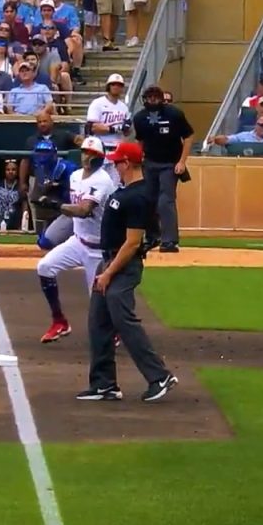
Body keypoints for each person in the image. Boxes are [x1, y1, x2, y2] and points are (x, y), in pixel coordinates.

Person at [80, 141, 178, 402]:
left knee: (123, 321)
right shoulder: (130, 191)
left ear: (126, 163)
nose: (114, 166)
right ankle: (104, 384)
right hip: (111, 262)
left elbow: (133, 241)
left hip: (122, 266)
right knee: (98, 322)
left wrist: (109, 273)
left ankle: (159, 376)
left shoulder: (138, 195)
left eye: (117, 162)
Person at [32, 136, 116, 343]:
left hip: (98, 249)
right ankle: (59, 321)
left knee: (97, 300)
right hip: (78, 241)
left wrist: (54, 205)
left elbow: (84, 210)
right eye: (85, 152)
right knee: (45, 267)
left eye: (92, 154)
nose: (87, 157)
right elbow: (73, 209)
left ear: (99, 158)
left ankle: (114, 330)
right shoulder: (76, 176)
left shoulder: (103, 180)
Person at [132, 84, 193, 253]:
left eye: (155, 97)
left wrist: (182, 161)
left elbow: (188, 137)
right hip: (150, 162)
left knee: (166, 200)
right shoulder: (140, 118)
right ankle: (152, 236)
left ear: (160, 98)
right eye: (149, 97)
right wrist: (140, 158)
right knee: (149, 200)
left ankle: (170, 240)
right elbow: (140, 140)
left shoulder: (174, 114)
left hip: (169, 163)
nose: (152, 100)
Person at [0, 159, 23, 230]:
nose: (10, 172)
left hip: (14, 224)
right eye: (8, 169)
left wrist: (23, 224)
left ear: (17, 171)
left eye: (13, 169)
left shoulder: (20, 185)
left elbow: (24, 203)